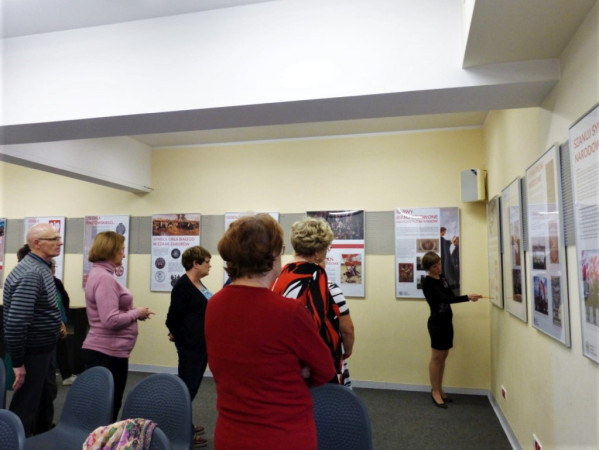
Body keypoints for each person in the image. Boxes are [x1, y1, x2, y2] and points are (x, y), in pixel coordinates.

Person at [205, 214, 336, 450]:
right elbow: (325, 370)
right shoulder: (290, 312)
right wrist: (296, 370)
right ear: (273, 255)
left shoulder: (214, 304)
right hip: (283, 436)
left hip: (230, 435)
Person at [82, 231, 155, 421]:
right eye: (121, 249)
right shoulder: (104, 278)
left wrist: (134, 313)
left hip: (109, 351)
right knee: (107, 407)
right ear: (111, 250)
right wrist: (136, 313)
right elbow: (110, 320)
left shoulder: (100, 274)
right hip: (106, 352)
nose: (124, 253)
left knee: (105, 406)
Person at [3, 223, 63, 435]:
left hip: (43, 348)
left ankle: (42, 437)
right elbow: (16, 322)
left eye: (58, 238)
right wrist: (18, 363)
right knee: (26, 405)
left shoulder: (41, 267)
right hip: (32, 352)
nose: (60, 242)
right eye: (54, 239)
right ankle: (10, 441)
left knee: (44, 397)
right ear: (37, 243)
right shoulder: (31, 273)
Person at [271, 217, 342, 384]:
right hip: (307, 365)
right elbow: (313, 323)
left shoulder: (282, 272)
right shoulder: (316, 273)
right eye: (326, 248)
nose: (326, 253)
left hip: (285, 356)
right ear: (317, 252)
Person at [421, 251, 481, 409]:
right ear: (428, 268)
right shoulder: (427, 282)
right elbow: (444, 299)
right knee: (436, 358)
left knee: (444, 357)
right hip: (436, 323)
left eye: (439, 264)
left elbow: (450, 295)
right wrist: (467, 297)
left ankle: (440, 389)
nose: (438, 268)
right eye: (435, 266)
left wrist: (467, 296)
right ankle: (434, 391)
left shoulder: (442, 278)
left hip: (447, 322)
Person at [166, 246, 212, 448]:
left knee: (191, 386)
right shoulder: (183, 286)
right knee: (187, 387)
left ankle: (186, 425)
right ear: (195, 263)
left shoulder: (198, 284)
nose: (210, 265)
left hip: (200, 344)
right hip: (190, 346)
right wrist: (178, 335)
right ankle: (181, 431)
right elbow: (172, 317)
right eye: (207, 262)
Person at [50, 259, 77, 386]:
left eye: (54, 267)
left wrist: (63, 319)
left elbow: (65, 299)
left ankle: (66, 375)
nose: (53, 269)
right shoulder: (41, 281)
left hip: (59, 321)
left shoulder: (57, 282)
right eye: (51, 267)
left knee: (62, 348)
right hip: (49, 322)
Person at [327, 279, 355, 388]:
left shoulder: (281, 284)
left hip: (297, 362)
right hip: (330, 358)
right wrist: (346, 352)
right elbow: (347, 330)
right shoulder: (330, 287)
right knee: (335, 395)